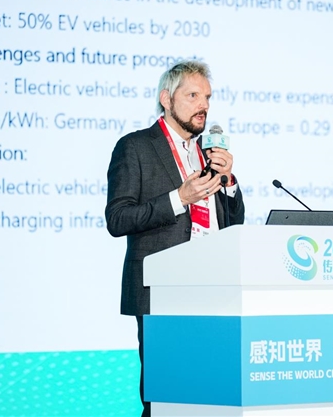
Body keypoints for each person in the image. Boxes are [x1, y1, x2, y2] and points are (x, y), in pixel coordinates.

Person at [105, 60, 245, 417]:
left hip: (213, 289)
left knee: (209, 396)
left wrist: (229, 183)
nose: (204, 105)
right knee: (166, 398)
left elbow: (232, 224)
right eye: (193, 95)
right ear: (166, 99)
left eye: (208, 97)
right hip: (162, 291)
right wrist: (178, 199)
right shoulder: (135, 147)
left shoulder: (207, 154)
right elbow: (118, 218)